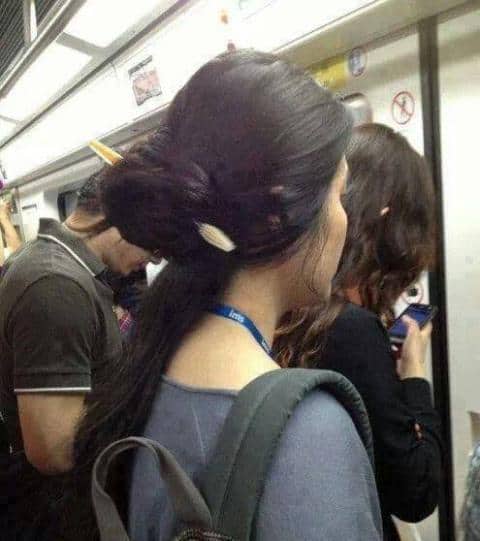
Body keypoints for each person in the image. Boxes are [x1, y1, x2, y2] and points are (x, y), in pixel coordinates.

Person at [61, 49, 382, 541]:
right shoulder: (307, 433)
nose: (344, 219)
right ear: (276, 215)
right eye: (338, 195)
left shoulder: (149, 370)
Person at [274, 123, 443, 541]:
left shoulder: (294, 305)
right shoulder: (353, 329)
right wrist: (414, 374)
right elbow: (416, 492)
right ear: (390, 221)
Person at [0, 173, 155, 538]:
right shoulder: (58, 286)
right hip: (52, 509)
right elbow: (53, 452)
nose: (152, 259)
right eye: (153, 243)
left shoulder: (60, 266)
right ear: (123, 219)